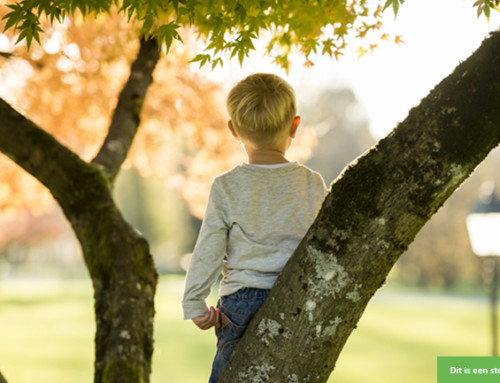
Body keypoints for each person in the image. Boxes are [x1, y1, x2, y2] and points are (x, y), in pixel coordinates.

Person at [182, 73, 328, 382]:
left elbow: (209, 248)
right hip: (298, 297)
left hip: (240, 305)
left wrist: (194, 301)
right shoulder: (312, 183)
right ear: (295, 125)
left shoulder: (227, 186)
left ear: (234, 131)